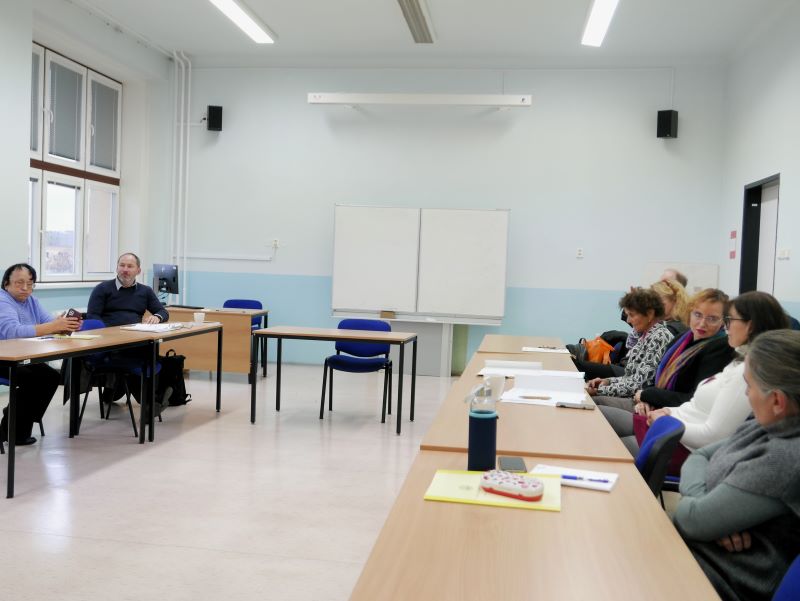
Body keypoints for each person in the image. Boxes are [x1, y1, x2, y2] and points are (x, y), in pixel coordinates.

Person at [673, 329, 800, 601]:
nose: (746, 393)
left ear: (777, 400)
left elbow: (690, 520)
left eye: (749, 386)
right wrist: (710, 509)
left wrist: (705, 514)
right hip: (700, 556)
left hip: (720, 580)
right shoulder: (766, 422)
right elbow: (699, 456)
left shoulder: (785, 458)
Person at [601, 291, 789, 458]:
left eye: (729, 320)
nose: (727, 327)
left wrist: (665, 419)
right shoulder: (738, 361)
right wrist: (668, 412)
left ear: (750, 326)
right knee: (601, 425)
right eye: (697, 314)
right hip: (671, 426)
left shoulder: (745, 373)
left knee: (605, 443)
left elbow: (713, 436)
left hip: (681, 444)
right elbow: (694, 405)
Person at [0, 263, 81, 445]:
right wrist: (52, 326)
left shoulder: (32, 301)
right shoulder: (2, 301)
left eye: (30, 284)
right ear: (6, 284)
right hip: (4, 358)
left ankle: (15, 422)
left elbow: (49, 323)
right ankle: (12, 429)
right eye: (19, 283)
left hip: (22, 356)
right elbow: (12, 332)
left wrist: (64, 325)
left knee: (51, 376)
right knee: (37, 379)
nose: (25, 288)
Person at [586, 288, 674, 402]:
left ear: (650, 314)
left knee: (592, 401)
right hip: (632, 396)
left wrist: (600, 391)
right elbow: (630, 378)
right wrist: (607, 381)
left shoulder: (659, 337)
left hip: (641, 402)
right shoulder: (645, 335)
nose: (628, 320)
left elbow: (639, 385)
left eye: (631, 315)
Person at [86, 252, 169, 326]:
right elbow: (92, 316)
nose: (125, 270)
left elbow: (163, 312)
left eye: (130, 266)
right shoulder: (102, 288)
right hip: (109, 333)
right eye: (122, 265)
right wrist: (104, 331)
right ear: (117, 268)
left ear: (138, 271)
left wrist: (157, 317)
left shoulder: (145, 291)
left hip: (135, 333)